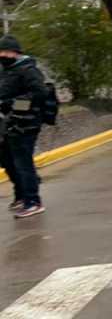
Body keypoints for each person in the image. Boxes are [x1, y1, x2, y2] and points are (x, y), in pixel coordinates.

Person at [0, 36, 51, 219]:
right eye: (1, 52)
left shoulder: (28, 70)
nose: (3, 55)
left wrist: (14, 104)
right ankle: (21, 196)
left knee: (23, 163)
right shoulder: (7, 70)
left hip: (26, 123)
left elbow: (40, 93)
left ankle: (33, 202)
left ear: (16, 52)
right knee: (8, 160)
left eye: (6, 52)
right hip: (9, 123)